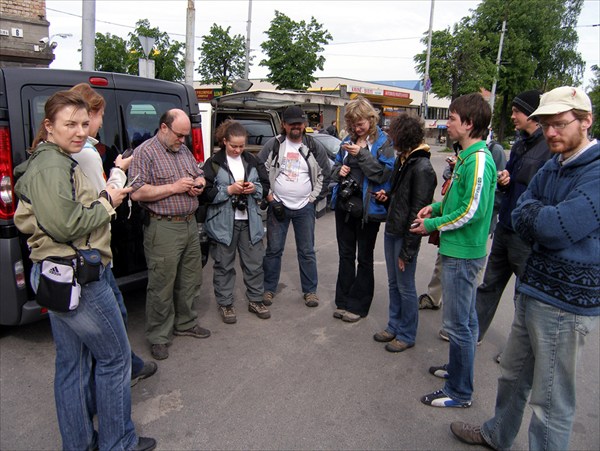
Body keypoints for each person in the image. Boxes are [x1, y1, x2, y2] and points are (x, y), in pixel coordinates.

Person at [450, 87, 599, 450]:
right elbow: (520, 209)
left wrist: (539, 216)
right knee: (512, 376)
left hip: (565, 304)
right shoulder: (555, 162)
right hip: (534, 289)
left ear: (586, 122)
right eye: (546, 125)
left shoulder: (594, 171)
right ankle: (497, 434)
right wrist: (540, 216)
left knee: (551, 402)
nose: (550, 133)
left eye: (560, 124)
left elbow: (556, 226)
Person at [13, 90, 155, 451]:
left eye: (82, 123)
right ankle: (117, 442)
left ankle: (79, 444)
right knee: (115, 360)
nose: (80, 131)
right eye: (69, 124)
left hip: (59, 274)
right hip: (76, 276)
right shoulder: (50, 165)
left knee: (72, 365)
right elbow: (66, 225)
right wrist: (108, 199)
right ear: (49, 126)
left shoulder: (57, 158)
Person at [411, 93, 496, 408]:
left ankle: (459, 392)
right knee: (466, 321)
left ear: (469, 124)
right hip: (458, 252)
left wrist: (433, 225)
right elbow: (455, 202)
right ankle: (458, 372)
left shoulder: (477, 159)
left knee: (459, 324)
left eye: (452, 118)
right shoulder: (467, 156)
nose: (447, 124)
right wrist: (433, 208)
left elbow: (470, 211)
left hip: (464, 255)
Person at [69, 83, 158, 385]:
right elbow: (105, 197)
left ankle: (129, 363)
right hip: (93, 249)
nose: (101, 123)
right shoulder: (89, 153)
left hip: (82, 251)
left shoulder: (58, 150)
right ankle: (123, 368)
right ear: (89, 112)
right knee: (114, 316)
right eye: (100, 115)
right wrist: (119, 168)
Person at [129, 109, 210, 361]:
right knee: (161, 284)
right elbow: (136, 192)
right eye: (179, 135)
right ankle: (158, 336)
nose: (183, 140)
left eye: (186, 136)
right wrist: (174, 187)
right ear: (164, 128)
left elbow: (198, 173)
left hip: (188, 225)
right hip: (162, 227)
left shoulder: (183, 150)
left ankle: (185, 322)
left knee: (190, 278)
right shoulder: (145, 152)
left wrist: (199, 184)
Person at [475, 90, 551, 347]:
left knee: (523, 295)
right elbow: (512, 179)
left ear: (532, 114)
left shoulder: (548, 149)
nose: (513, 115)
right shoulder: (519, 144)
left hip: (525, 235)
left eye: (517, 111)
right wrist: (505, 181)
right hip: (505, 226)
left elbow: (544, 192)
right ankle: (472, 335)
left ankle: (516, 350)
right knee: (489, 286)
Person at [372, 113, 437, 352]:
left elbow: (417, 214)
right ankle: (394, 326)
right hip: (393, 230)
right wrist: (387, 197)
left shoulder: (422, 167)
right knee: (393, 283)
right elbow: (400, 199)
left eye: (393, 135)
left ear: (404, 136)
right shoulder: (405, 160)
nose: (390, 139)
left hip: (404, 235)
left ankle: (407, 334)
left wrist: (408, 251)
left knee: (405, 285)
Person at [258, 105, 331, 308]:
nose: (296, 127)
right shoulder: (274, 145)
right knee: (273, 250)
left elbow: (326, 173)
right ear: (284, 125)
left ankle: (310, 292)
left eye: (299, 123)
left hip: (304, 208)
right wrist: (271, 198)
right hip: (278, 206)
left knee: (307, 251)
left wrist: (312, 199)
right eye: (292, 124)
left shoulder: (313, 146)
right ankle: (268, 289)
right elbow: (259, 172)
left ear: (305, 124)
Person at [331, 96, 395, 322]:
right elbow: (335, 166)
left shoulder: (384, 143)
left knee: (364, 258)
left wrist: (362, 154)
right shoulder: (348, 140)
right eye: (353, 124)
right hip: (345, 205)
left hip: (369, 209)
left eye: (361, 124)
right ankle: (344, 300)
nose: (357, 128)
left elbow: (384, 174)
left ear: (371, 119)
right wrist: (339, 170)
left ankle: (359, 306)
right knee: (345, 255)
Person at [201, 120, 271, 323]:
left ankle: (256, 300)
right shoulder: (213, 162)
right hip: (223, 223)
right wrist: (229, 190)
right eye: (233, 146)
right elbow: (204, 194)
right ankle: (225, 304)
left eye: (242, 146)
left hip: (251, 221)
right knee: (224, 266)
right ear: (224, 141)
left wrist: (254, 189)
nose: (238, 150)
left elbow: (265, 186)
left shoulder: (252, 160)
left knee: (255, 264)